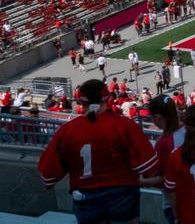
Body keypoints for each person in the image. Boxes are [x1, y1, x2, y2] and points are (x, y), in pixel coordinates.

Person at [37, 79, 158, 224]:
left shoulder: (67, 131)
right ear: (107, 98)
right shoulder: (124, 125)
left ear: (80, 102)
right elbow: (150, 168)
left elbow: (47, 176)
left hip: (84, 196)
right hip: (121, 194)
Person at [148, 93, 186, 223]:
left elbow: (165, 180)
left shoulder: (164, 143)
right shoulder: (193, 129)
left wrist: (139, 182)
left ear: (157, 117)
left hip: (176, 205)